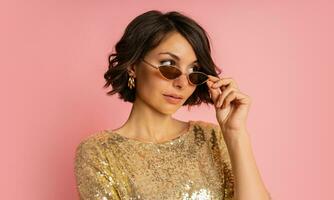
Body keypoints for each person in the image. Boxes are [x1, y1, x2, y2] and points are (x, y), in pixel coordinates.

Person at [74, 10, 271, 200]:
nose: (182, 84)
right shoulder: (100, 152)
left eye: (194, 70)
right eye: (169, 65)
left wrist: (235, 133)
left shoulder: (211, 138)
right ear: (133, 66)